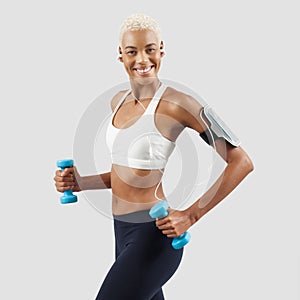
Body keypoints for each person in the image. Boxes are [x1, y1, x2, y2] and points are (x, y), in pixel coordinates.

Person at [54, 13, 254, 300]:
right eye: (132, 51)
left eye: (150, 49)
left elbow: (242, 162)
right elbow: (127, 173)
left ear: (162, 50)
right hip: (121, 233)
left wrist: (191, 215)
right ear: (120, 56)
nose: (142, 59)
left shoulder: (178, 103)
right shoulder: (118, 102)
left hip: (153, 238)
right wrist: (82, 183)